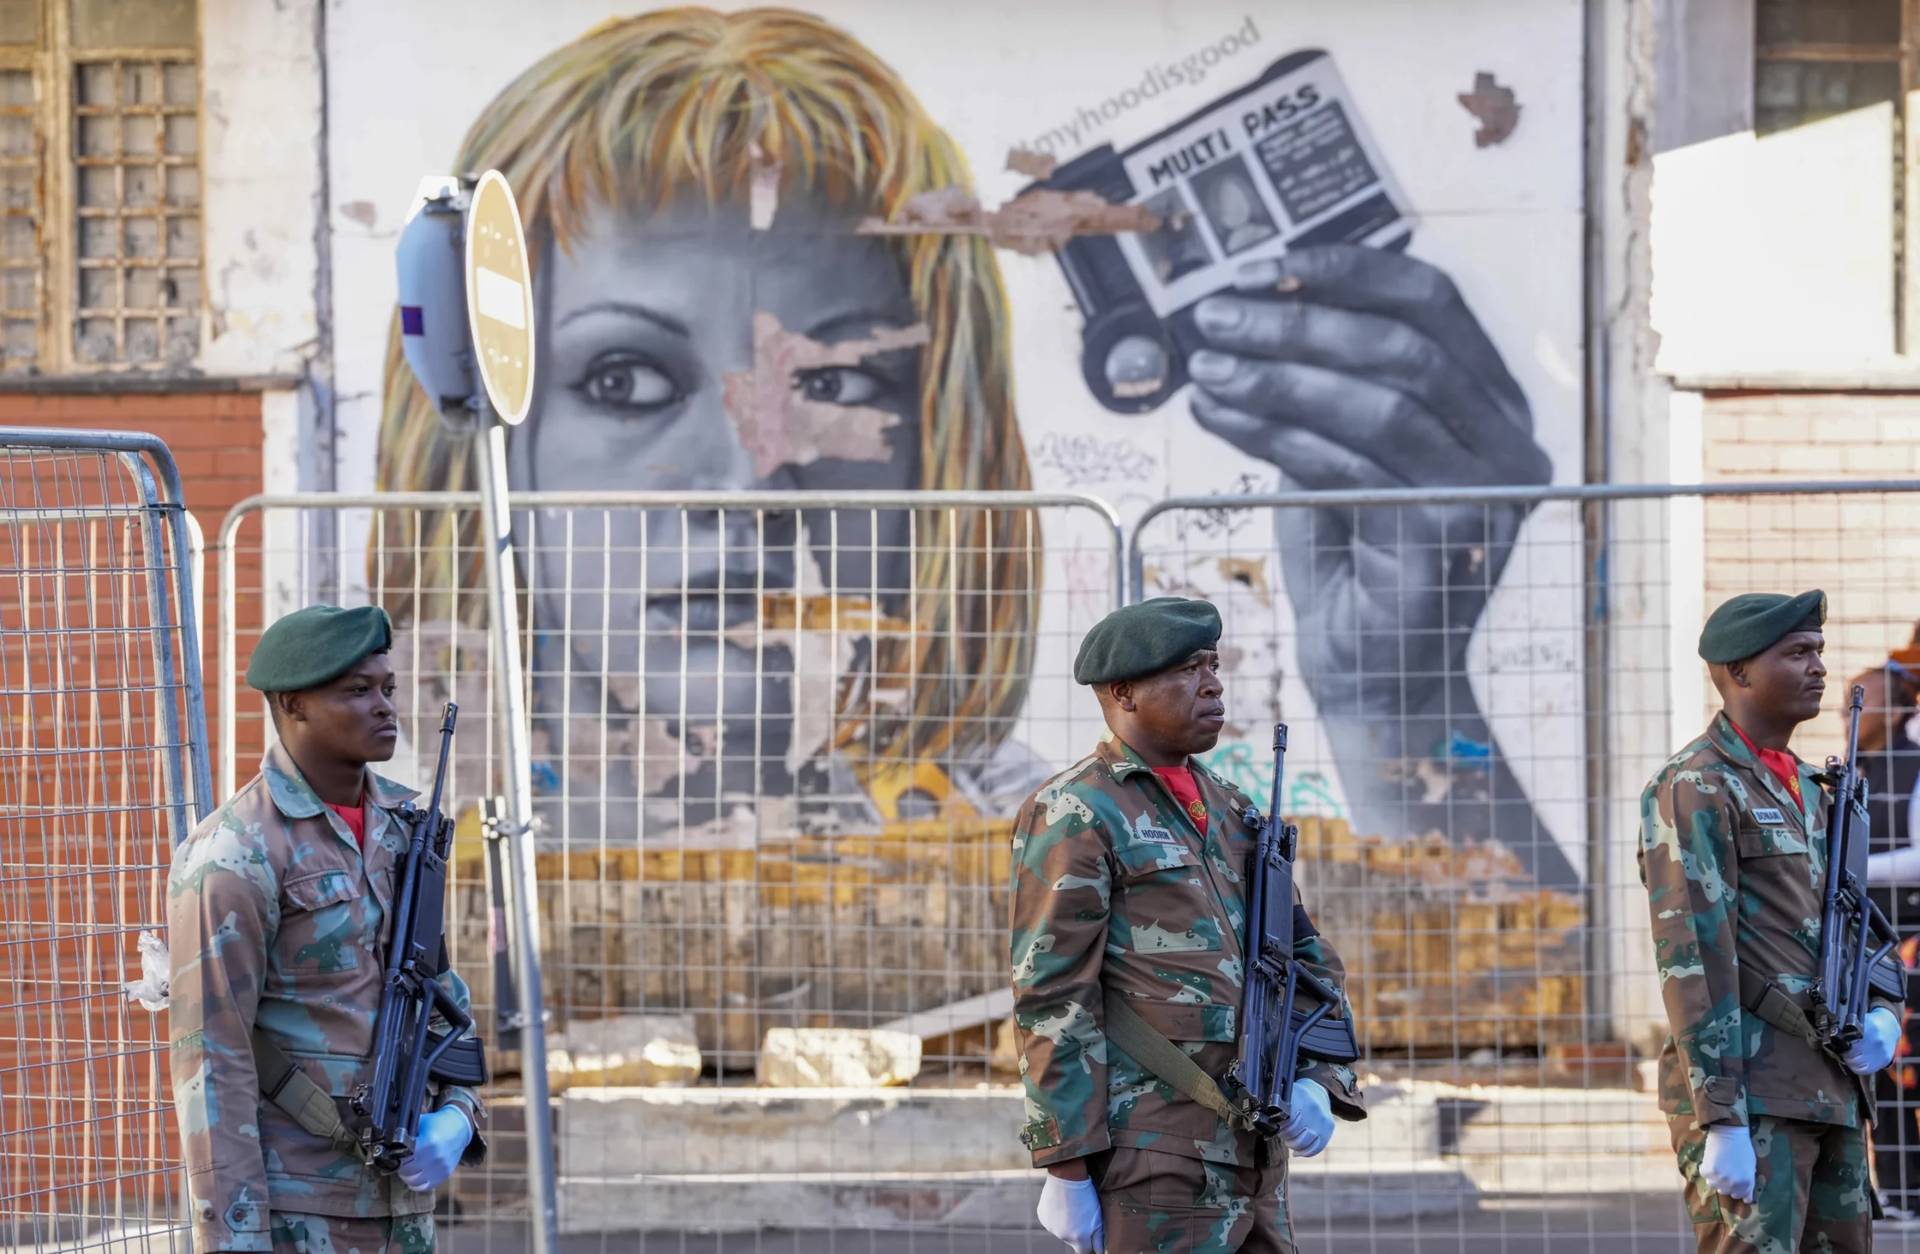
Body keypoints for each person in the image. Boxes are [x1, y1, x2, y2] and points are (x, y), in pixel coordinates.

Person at [370, 8, 1558, 884]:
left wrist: (1393, 696)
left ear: (942, 446)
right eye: (628, 379)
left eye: (836, 382)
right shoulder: (404, 854)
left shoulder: (1054, 836)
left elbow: (1478, 1017)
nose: (750, 479)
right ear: (489, 438)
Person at [1011, 596, 1365, 1252]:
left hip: (1255, 1151)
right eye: (1186, 670)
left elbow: (1307, 961)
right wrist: (1064, 1164)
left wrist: (1320, 1078)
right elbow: (1054, 996)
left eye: (1213, 664)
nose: (1213, 683)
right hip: (1156, 1159)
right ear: (1123, 693)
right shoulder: (1076, 811)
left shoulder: (1235, 810)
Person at [168, 605, 485, 1252]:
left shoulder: (405, 832)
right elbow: (212, 1063)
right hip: (296, 1211)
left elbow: (438, 992)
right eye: (358, 691)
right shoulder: (236, 853)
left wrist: (458, 1113)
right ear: (294, 705)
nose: (385, 707)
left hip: (404, 1205)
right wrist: (236, 1240)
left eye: (388, 689)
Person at [1640, 590, 1903, 1252]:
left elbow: (1860, 926)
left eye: (1818, 651)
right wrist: (1720, 1115)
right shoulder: (1696, 785)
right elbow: (1694, 955)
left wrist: (1884, 1011)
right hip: (1753, 1096)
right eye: (1796, 653)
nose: (1818, 666)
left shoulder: (1817, 793)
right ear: (1739, 672)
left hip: (1830, 1086)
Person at [1850, 632, 1920, 1215]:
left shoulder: (1913, 763)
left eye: (1864, 698)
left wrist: (1845, 869)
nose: (1852, 706)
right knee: (1877, 1066)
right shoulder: (1853, 768)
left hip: (1909, 938)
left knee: (1907, 1067)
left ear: (1896, 710)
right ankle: (1892, 1190)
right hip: (1865, 940)